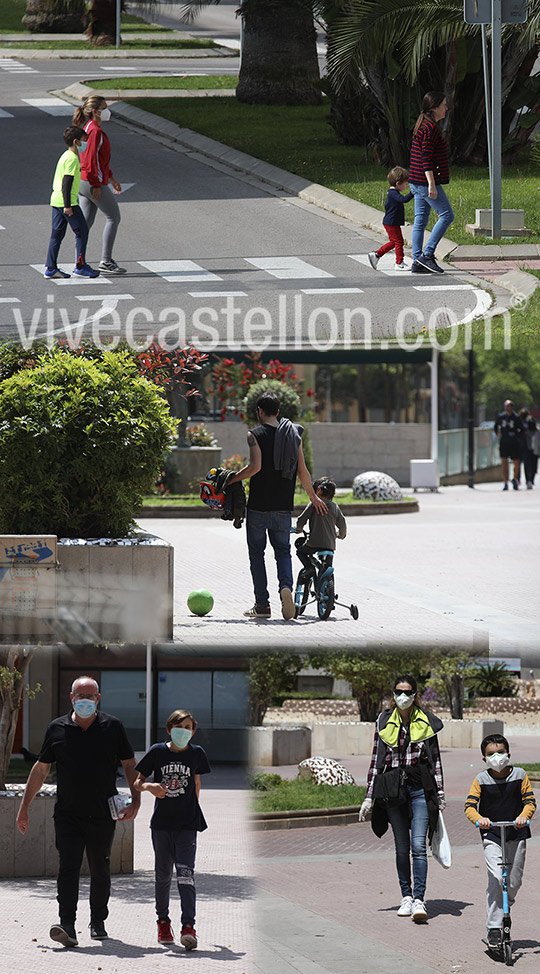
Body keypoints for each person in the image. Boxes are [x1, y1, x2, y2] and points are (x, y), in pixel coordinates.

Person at [16, 676, 140, 948]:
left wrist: (136, 800)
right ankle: (67, 925)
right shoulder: (57, 728)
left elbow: (130, 764)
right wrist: (24, 807)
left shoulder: (113, 727)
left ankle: (97, 921)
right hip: (68, 814)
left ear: (98, 698)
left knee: (100, 869)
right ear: (71, 698)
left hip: (102, 814)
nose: (85, 700)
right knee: (68, 868)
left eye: (90, 695)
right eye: (79, 695)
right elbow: (41, 769)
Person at [226, 391, 327, 620]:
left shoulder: (254, 435)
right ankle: (286, 589)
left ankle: (262, 605)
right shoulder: (294, 436)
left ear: (259, 411)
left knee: (257, 555)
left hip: (259, 506)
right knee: (283, 552)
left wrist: (230, 479)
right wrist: (313, 498)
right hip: (283, 506)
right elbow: (302, 471)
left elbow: (255, 468)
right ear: (278, 412)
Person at [359, 675, 445, 923]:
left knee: (419, 846)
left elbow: (436, 760)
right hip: (393, 790)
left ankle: (419, 899)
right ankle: (405, 896)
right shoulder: (384, 720)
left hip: (419, 787)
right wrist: (368, 797)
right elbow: (376, 762)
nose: (403, 696)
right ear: (393, 693)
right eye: (398, 691)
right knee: (401, 847)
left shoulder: (427, 722)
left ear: (416, 694)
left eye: (407, 692)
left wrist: (439, 793)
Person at [134, 709, 211, 951]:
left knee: (186, 874)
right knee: (163, 875)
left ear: (193, 731)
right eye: (179, 727)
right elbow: (137, 782)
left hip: (187, 825)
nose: (184, 731)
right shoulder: (157, 751)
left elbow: (197, 782)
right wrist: (150, 787)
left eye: (188, 727)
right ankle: (163, 922)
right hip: (162, 825)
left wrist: (193, 810)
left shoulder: (197, 754)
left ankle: (189, 926)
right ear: (169, 729)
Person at [464, 734, 536, 952]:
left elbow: (530, 802)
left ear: (509, 754)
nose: (496, 757)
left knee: (513, 882)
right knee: (497, 878)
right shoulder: (481, 780)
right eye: (490, 754)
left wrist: (524, 816)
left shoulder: (520, 775)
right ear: (484, 759)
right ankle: (495, 928)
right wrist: (480, 820)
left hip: (516, 833)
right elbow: (469, 807)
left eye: (500, 753)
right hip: (492, 835)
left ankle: (505, 904)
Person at [72, 95, 126, 275]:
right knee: (113, 217)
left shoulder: (88, 128)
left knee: (86, 222)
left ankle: (79, 261)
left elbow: (99, 160)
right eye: (104, 107)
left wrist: (111, 177)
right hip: (91, 181)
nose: (107, 110)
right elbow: (90, 160)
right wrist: (96, 185)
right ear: (95, 112)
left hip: (84, 181)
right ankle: (106, 261)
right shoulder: (94, 131)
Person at [44, 125, 99, 280]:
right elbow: (67, 183)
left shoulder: (65, 155)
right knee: (82, 231)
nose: (85, 143)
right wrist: (68, 205)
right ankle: (80, 266)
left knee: (57, 234)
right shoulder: (73, 159)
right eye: (84, 140)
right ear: (76, 142)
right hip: (67, 202)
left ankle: (51, 267)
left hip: (56, 200)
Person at [409, 91, 454, 275]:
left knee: (420, 221)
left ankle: (417, 261)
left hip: (416, 180)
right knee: (447, 215)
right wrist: (431, 184)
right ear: (434, 108)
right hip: (423, 182)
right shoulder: (429, 128)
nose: (446, 108)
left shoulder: (425, 124)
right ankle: (427, 255)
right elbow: (425, 158)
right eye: (443, 105)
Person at [294, 476, 347, 573]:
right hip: (330, 545)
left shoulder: (314, 504)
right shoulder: (335, 507)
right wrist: (340, 535)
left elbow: (302, 519)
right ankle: (327, 581)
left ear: (318, 490)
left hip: (313, 543)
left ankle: (309, 568)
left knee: (301, 552)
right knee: (327, 565)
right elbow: (342, 524)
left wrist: (298, 529)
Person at [368, 167, 413, 271]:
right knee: (398, 242)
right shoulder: (393, 194)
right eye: (405, 184)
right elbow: (404, 200)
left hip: (392, 222)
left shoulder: (392, 193)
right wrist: (413, 193)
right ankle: (399, 263)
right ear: (398, 183)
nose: (407, 186)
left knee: (395, 242)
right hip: (391, 222)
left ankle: (377, 255)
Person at [494, 399, 522, 490]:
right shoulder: (501, 416)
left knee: (516, 462)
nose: (508, 408)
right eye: (506, 406)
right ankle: (505, 482)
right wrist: (498, 433)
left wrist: (516, 436)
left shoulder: (516, 417)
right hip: (504, 442)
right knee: (504, 462)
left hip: (514, 442)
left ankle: (514, 479)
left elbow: (521, 429)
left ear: (512, 407)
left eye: (510, 406)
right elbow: (496, 426)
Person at [518, 407, 537, 490]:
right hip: (519, 445)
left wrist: (528, 433)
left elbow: (534, 431)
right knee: (517, 463)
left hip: (529, 445)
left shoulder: (531, 421)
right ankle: (517, 479)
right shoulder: (518, 421)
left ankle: (529, 480)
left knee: (528, 464)